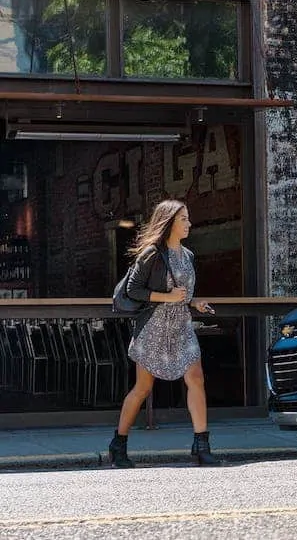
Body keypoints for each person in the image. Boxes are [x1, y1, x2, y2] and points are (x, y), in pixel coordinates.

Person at [107, 200, 219, 467]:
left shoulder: (188, 255)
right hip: (154, 329)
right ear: (169, 222)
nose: (188, 224)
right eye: (183, 219)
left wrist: (194, 302)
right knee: (143, 388)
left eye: (188, 219)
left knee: (196, 379)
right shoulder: (151, 254)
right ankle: (118, 444)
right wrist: (166, 297)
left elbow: (183, 293)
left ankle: (201, 444)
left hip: (181, 326)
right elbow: (132, 290)